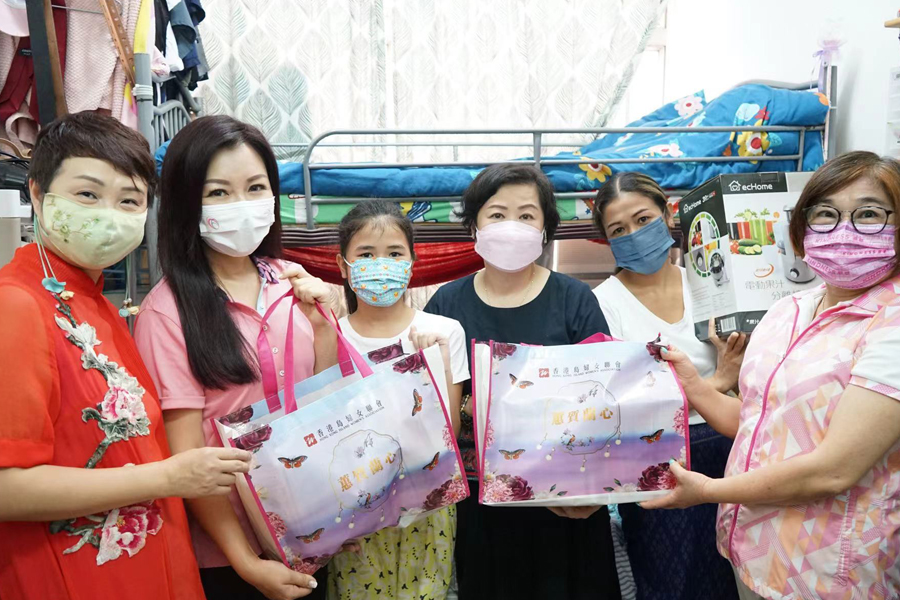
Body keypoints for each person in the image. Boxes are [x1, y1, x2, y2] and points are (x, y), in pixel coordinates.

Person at [0, 111, 255, 600]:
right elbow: (7, 487)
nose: (109, 214)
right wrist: (167, 477)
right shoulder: (17, 304)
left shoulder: (91, 302)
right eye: (87, 194)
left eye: (129, 200)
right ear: (37, 192)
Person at [642, 151, 900, 600]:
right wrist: (694, 383)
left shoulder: (891, 325)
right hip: (753, 555)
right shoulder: (788, 310)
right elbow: (757, 422)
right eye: (825, 214)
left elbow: (834, 471)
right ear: (801, 228)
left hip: (830, 572)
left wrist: (709, 490)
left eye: (869, 214)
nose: (844, 230)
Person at [134, 115, 337, 600]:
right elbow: (187, 456)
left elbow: (328, 397)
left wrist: (323, 324)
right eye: (219, 192)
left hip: (312, 527)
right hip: (229, 555)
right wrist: (247, 563)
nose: (241, 205)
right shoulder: (166, 312)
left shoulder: (292, 279)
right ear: (187, 203)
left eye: (255, 187)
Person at [424, 163, 621, 600]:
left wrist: (593, 493)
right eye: (497, 214)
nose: (511, 226)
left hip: (568, 498)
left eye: (527, 215)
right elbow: (430, 407)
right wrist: (468, 410)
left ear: (545, 229)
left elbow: (605, 400)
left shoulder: (575, 299)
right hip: (484, 506)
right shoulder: (445, 305)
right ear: (474, 226)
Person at [591, 172, 745, 600]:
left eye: (643, 219)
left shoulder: (709, 281)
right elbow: (625, 402)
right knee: (666, 580)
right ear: (606, 240)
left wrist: (733, 374)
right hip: (656, 458)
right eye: (618, 230)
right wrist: (719, 380)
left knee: (731, 572)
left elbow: (751, 366)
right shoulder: (603, 303)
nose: (634, 235)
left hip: (728, 446)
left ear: (668, 213)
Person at [326, 200, 469, 599]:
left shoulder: (444, 331)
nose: (381, 264)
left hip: (428, 500)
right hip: (356, 503)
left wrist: (433, 363)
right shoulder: (331, 337)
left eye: (393, 253)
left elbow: (450, 431)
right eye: (366, 255)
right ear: (343, 266)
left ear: (411, 262)